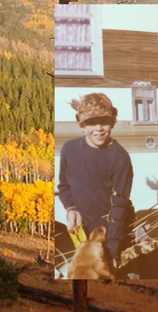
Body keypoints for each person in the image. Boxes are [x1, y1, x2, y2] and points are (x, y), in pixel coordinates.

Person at [58, 93, 135, 273]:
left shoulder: (120, 157)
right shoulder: (69, 149)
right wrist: (71, 208)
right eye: (91, 123)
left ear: (113, 122)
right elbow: (63, 186)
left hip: (114, 233)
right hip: (83, 233)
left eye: (104, 121)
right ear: (82, 124)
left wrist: (113, 252)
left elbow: (119, 208)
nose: (98, 128)